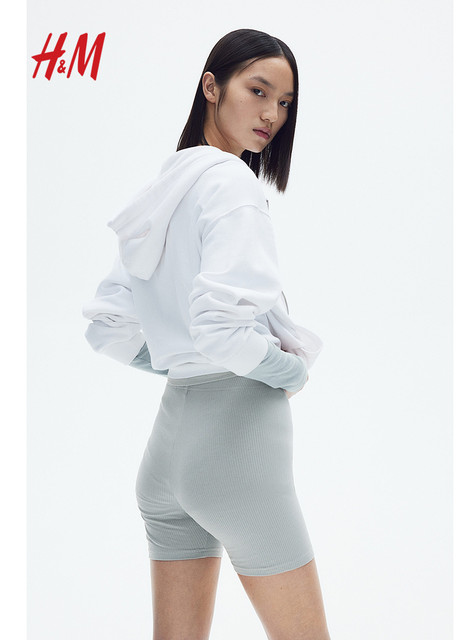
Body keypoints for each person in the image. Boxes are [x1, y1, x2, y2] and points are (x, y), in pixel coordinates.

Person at [82, 28, 331, 640]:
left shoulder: (165, 190)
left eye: (285, 102)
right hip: (238, 455)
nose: (272, 115)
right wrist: (289, 370)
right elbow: (221, 330)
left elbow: (107, 326)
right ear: (211, 87)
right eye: (258, 91)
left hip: (167, 454)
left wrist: (179, 361)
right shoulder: (231, 184)